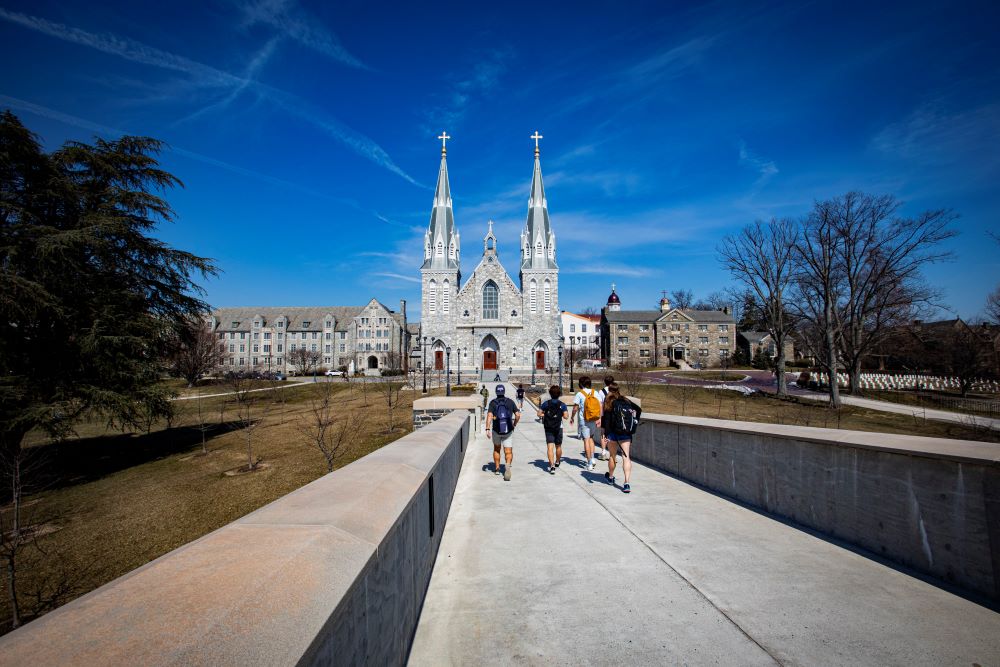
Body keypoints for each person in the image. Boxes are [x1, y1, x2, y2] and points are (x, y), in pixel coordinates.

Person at [601, 382, 641, 493]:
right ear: (618, 390)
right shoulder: (626, 400)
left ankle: (610, 477)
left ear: (609, 390)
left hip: (613, 434)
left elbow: (606, 420)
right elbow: (638, 410)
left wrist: (605, 434)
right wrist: (634, 423)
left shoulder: (608, 402)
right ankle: (626, 483)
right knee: (626, 457)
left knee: (612, 456)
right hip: (625, 433)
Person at [486, 384, 521, 481]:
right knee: (508, 451)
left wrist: (487, 429)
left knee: (497, 449)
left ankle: (497, 468)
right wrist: (514, 424)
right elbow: (518, 415)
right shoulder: (510, 402)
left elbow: (489, 416)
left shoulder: (493, 403)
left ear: (496, 392)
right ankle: (508, 465)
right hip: (508, 430)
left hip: (496, 430)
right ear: (504, 391)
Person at [569, 376, 604, 471]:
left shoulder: (580, 394)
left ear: (581, 384)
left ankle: (589, 463)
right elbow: (600, 406)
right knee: (591, 438)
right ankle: (592, 459)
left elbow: (575, 408)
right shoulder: (595, 392)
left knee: (586, 440)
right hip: (594, 419)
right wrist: (599, 418)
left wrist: (572, 417)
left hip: (584, 420)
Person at [536, 385, 569, 474]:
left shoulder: (546, 404)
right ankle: (557, 461)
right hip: (559, 427)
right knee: (558, 446)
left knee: (550, 447)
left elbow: (539, 414)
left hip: (548, 427)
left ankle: (552, 466)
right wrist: (559, 415)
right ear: (559, 394)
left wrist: (546, 415)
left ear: (550, 394)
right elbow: (566, 416)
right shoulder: (562, 405)